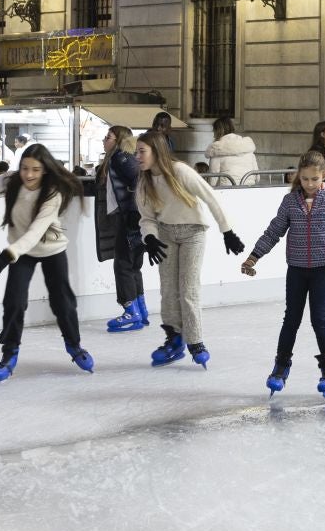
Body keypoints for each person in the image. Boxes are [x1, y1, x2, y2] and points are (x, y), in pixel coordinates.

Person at [243, 150, 325, 399]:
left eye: (314, 179)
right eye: (304, 179)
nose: (309, 184)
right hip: (296, 268)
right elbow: (274, 231)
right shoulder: (290, 202)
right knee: (291, 319)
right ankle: (281, 366)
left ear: (323, 175)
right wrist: (254, 256)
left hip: (323, 268)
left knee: (319, 319)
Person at [0, 142, 93, 381]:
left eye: (35, 170)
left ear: (45, 170)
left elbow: (36, 232)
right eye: (25, 168)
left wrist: (8, 253)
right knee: (14, 302)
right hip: (22, 252)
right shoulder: (11, 180)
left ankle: (74, 345)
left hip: (50, 249)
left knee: (63, 303)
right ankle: (9, 354)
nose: (28, 174)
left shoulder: (52, 194)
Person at [135, 129, 245, 368]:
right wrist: (150, 238)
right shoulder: (144, 183)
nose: (138, 156)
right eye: (136, 152)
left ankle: (195, 341)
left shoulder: (180, 172)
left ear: (156, 151)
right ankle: (174, 338)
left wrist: (227, 231)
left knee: (188, 288)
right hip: (165, 234)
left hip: (193, 233)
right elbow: (146, 218)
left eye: (142, 151)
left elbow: (210, 197)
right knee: (168, 289)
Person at [96, 125, 150, 331]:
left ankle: (131, 310)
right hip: (133, 216)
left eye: (108, 137)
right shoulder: (123, 157)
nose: (104, 140)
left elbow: (138, 181)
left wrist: (134, 209)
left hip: (129, 217)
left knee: (123, 264)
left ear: (118, 140)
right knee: (132, 264)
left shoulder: (120, 157)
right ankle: (141, 310)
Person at [204, 116, 259, 183]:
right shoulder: (247, 147)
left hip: (227, 191)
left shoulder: (217, 149)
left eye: (214, 132)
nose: (214, 136)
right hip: (248, 188)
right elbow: (257, 177)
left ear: (218, 131)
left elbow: (213, 180)